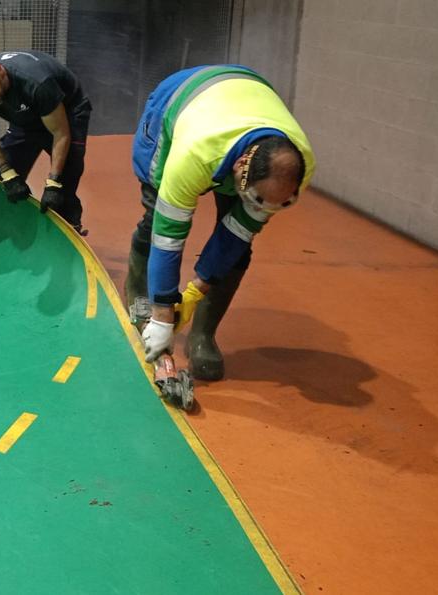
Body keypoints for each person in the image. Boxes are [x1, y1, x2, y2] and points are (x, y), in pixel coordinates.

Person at [127, 64, 315, 380]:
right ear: (241, 168)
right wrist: (162, 315)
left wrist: (193, 293)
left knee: (239, 251)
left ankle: (203, 335)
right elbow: (169, 237)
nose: (263, 209)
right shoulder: (194, 155)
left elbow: (237, 234)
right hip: (178, 102)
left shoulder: (296, 168)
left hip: (244, 100)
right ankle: (139, 294)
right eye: (256, 200)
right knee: (155, 216)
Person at [0, 51, 91, 231]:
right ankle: (9, 233)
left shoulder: (36, 82)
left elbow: (61, 133)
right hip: (25, 117)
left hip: (67, 112)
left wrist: (53, 182)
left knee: (61, 190)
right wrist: (8, 174)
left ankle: (70, 228)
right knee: (2, 184)